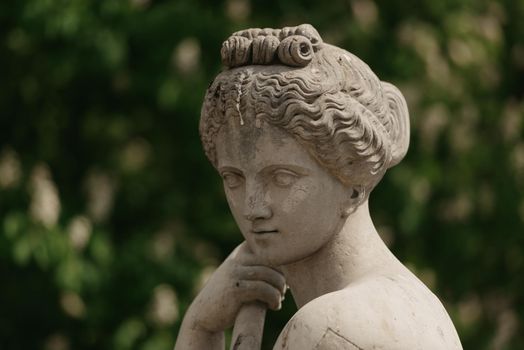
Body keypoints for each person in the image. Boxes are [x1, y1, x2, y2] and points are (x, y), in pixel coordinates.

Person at [175, 24, 463, 350]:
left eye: (282, 177)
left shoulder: (329, 327)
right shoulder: (413, 305)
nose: (252, 206)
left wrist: (197, 330)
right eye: (233, 178)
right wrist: (201, 324)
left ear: (353, 183)